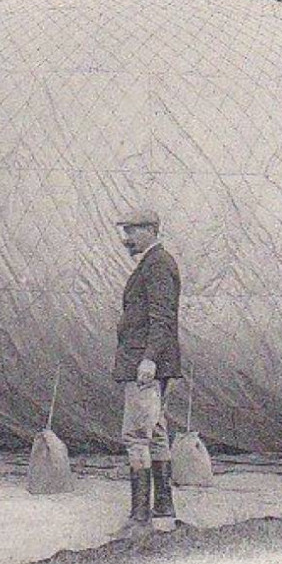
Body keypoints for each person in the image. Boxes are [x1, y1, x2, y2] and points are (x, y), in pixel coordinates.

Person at [112, 207, 182, 537]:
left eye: (133, 231)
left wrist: (149, 359)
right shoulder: (153, 264)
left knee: (137, 436)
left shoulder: (157, 265)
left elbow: (162, 318)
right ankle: (164, 516)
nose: (127, 238)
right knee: (154, 435)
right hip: (147, 364)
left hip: (145, 366)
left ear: (151, 230)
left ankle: (140, 520)